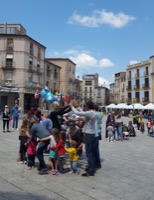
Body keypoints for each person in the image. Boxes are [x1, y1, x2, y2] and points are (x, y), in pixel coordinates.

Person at [70, 101, 97, 177]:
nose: (84, 107)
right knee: (90, 152)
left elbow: (78, 113)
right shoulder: (92, 113)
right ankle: (92, 167)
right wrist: (77, 106)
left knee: (89, 153)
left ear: (88, 106)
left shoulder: (90, 113)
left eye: (85, 106)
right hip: (91, 134)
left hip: (88, 134)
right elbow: (82, 113)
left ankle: (91, 171)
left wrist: (71, 106)